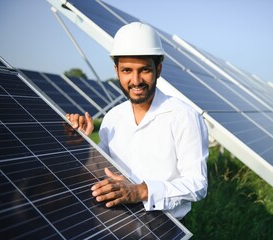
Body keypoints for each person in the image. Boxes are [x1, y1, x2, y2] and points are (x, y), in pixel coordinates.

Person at [66, 22, 208, 220]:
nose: (136, 80)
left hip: (164, 226)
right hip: (117, 221)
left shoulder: (183, 116)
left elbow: (197, 184)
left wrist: (139, 191)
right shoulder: (112, 118)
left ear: (158, 69)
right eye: (126, 71)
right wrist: (82, 143)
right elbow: (98, 170)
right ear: (116, 71)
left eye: (144, 70)